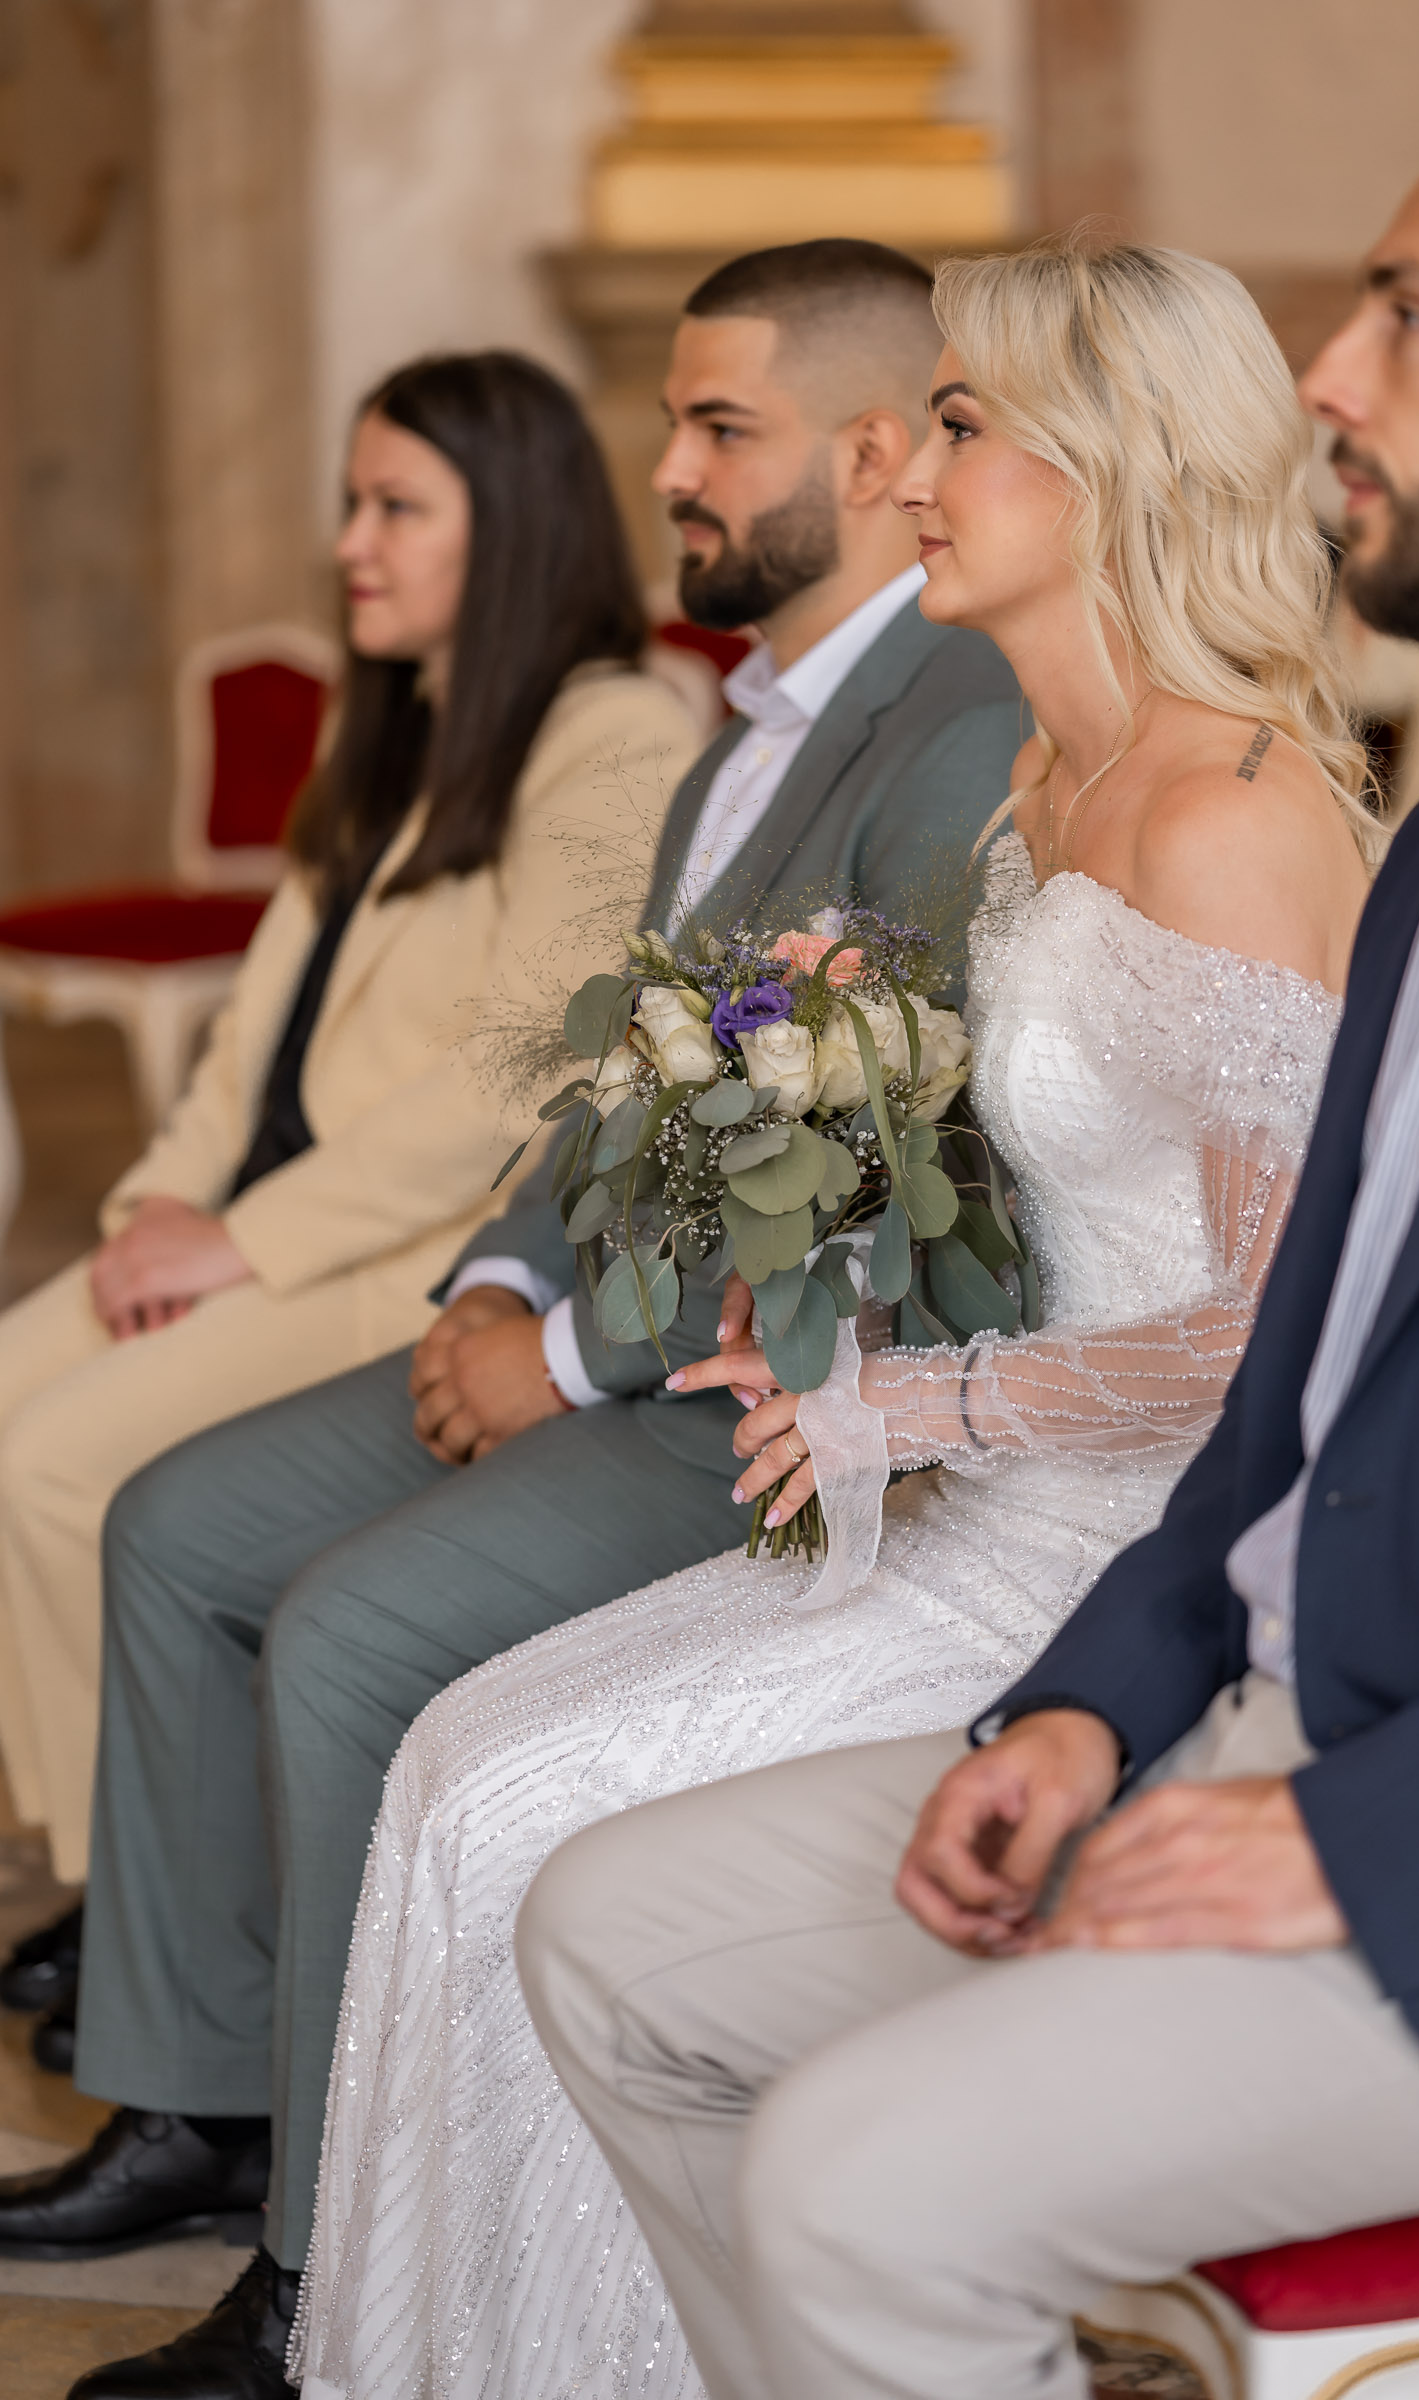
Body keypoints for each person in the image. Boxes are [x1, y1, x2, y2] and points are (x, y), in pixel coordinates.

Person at [519, 86, 1419, 2400]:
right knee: (602, 1934)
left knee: (851, 2184)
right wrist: (1097, 1704)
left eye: (1409, 318)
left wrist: (1361, 1832)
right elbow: (1302, 1403)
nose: (1326, 375)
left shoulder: (1287, 826)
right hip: (1240, 1697)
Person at [287, 235, 1376, 2400]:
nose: (915, 476)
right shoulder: (1041, 791)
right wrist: (827, 1245)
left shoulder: (1231, 818)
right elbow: (1048, 1202)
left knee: (513, 1815)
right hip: (974, 1498)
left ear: (1108, 463)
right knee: (456, 1760)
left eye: (961, 428)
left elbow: (1278, 1339)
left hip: (1129, 1572)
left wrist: (928, 1403)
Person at [4, 240, 1023, 2400]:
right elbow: (609, 1086)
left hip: (749, 1392)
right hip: (579, 1307)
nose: (670, 471)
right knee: (176, 1526)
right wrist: (496, 1280)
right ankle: (206, 2088)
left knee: (347, 1631)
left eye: (717, 428)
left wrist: (561, 1358)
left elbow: (852, 1169)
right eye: (669, 424)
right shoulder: (734, 735)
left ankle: (316, 2286)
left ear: (871, 453)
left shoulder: (951, 731)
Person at [0, 346, 694, 1929]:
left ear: (509, 523)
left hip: (405, 1251)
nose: (348, 544)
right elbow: (254, 1027)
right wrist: (158, 1204)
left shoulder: (612, 736)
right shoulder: (387, 727)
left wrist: (238, 1243)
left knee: (52, 1471)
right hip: (259, 1213)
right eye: (350, 504)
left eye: (395, 508)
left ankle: (148, 1927)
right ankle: (114, 1884)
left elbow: (519, 1069)